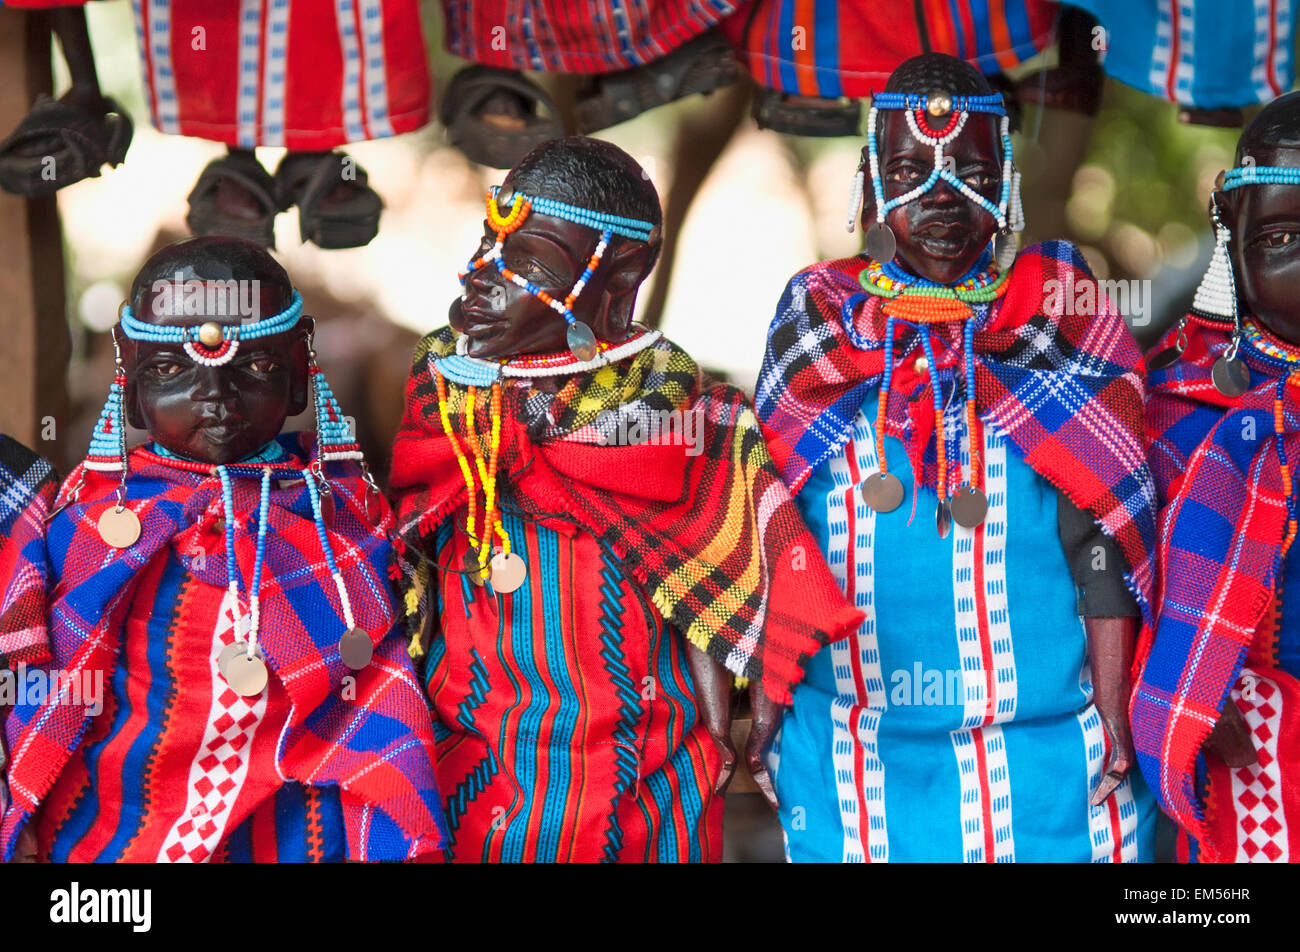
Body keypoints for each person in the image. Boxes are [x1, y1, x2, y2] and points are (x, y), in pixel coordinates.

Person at [389, 135, 859, 862]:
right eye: (489, 242)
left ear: (623, 273)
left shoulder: (685, 422)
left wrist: (718, 723)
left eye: (528, 261)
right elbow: (412, 560)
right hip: (477, 764)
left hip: (647, 773)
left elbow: (702, 579)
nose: (482, 274)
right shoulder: (445, 395)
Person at [754, 51, 1158, 861]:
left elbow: (1102, 534)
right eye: (908, 169)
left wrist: (1116, 709)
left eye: (969, 170)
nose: (940, 196)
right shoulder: (816, 321)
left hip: (1054, 760)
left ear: (1006, 180)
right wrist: (765, 705)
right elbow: (774, 536)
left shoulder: (1064, 317)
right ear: (869, 183)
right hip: (849, 758)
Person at [0, 236, 444, 862]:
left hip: (297, 821)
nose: (216, 396)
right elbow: (47, 678)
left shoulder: (339, 522)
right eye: (168, 370)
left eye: (256, 368)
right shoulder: (87, 521)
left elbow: (375, 694)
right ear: (126, 379)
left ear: (298, 370)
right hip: (117, 817)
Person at [1136, 91, 1300, 862]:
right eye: (1280, 236)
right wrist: (1190, 683)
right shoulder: (1169, 401)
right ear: (1230, 245)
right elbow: (1128, 572)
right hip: (1245, 735)